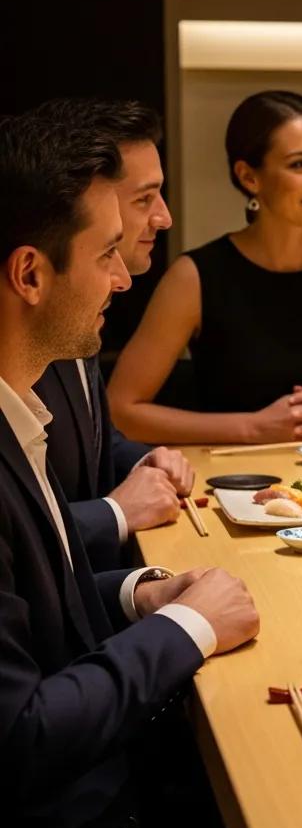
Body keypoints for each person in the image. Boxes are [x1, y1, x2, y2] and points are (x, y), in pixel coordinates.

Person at [0, 111, 259, 828]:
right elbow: (21, 740)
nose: (122, 279)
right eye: (106, 254)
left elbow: (35, 609)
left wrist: (139, 596)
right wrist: (187, 627)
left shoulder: (19, 413)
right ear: (30, 275)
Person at [107, 90, 302, 444]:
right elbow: (121, 408)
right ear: (248, 177)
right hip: (228, 472)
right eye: (301, 164)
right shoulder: (195, 276)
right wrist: (254, 428)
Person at [32, 99, 194, 571]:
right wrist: (115, 512)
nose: (164, 218)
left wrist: (144, 462)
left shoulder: (84, 308)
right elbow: (20, 534)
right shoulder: (41, 320)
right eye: (144, 199)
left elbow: (95, 443)